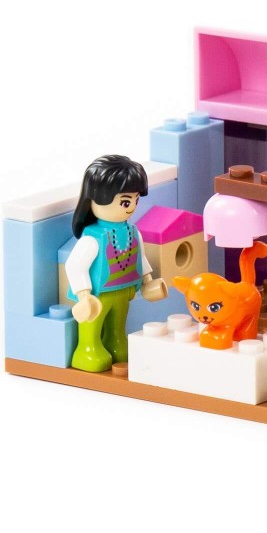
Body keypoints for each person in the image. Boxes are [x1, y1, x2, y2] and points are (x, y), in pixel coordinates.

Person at [65, 155, 167, 372]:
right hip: (98, 294)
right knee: (92, 323)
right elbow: (74, 266)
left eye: (136, 200)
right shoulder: (93, 238)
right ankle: (87, 350)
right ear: (97, 198)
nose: (132, 207)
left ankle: (115, 342)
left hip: (124, 291)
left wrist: (147, 280)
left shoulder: (132, 231)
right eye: (125, 202)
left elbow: (141, 257)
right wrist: (84, 295)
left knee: (118, 324)